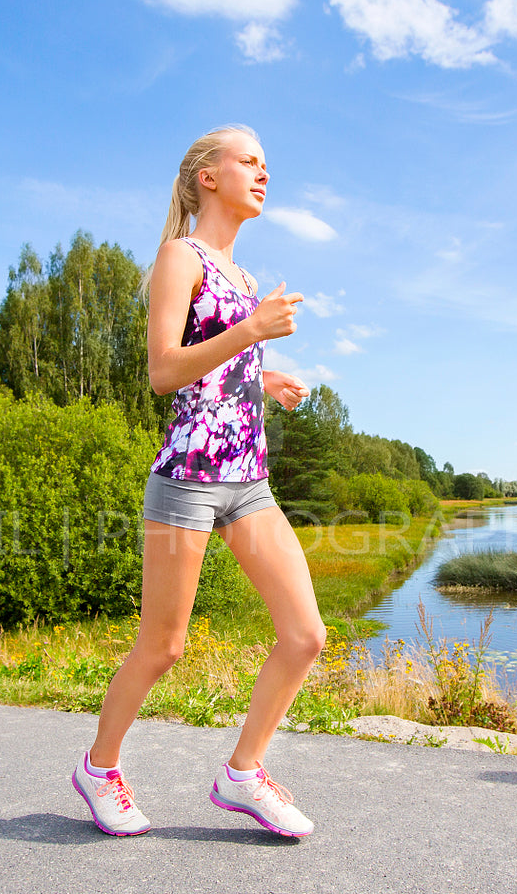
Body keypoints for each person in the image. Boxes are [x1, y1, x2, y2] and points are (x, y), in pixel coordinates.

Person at [71, 124, 326, 838]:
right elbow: (163, 372)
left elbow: (210, 373)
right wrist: (252, 334)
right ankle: (98, 770)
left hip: (249, 480)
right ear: (208, 176)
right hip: (186, 479)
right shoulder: (179, 257)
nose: (263, 172)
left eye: (267, 164)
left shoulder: (243, 278)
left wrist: (259, 379)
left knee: (304, 635)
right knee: (164, 646)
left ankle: (242, 774)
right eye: (249, 161)